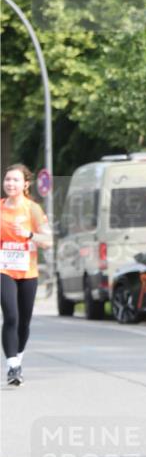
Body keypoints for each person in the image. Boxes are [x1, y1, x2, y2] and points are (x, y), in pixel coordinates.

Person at [1, 164, 52, 386]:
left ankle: (18, 357)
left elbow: (48, 242)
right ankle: (12, 365)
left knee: (24, 321)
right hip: (4, 269)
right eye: (7, 179)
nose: (10, 183)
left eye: (15, 180)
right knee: (11, 316)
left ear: (25, 184)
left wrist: (30, 234)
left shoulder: (33, 210)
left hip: (28, 271)